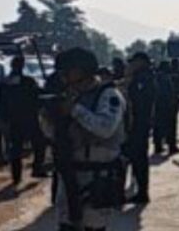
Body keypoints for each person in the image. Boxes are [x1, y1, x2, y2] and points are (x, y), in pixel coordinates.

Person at [43, 47, 127, 231]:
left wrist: (74, 110)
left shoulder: (108, 95)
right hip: (70, 177)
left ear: (83, 70)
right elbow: (51, 134)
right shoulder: (69, 95)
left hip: (98, 179)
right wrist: (49, 116)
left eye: (68, 70)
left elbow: (105, 129)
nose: (64, 75)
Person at [0, 55, 48, 185]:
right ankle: (36, 168)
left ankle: (16, 176)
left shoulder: (4, 83)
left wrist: (4, 119)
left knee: (16, 148)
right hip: (29, 118)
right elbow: (38, 97)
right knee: (39, 144)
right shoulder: (28, 82)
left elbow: (0, 104)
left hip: (14, 120)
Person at [125, 52, 156, 204]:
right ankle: (141, 190)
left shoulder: (143, 78)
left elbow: (139, 102)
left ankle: (142, 192)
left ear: (141, 62)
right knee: (138, 158)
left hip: (139, 123)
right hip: (139, 122)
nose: (131, 65)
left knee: (139, 158)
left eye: (134, 62)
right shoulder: (143, 77)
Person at [152, 61, 179, 155]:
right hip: (166, 105)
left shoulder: (156, 76)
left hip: (158, 105)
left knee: (158, 126)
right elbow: (168, 92)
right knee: (170, 126)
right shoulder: (165, 78)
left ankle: (158, 147)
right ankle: (172, 147)